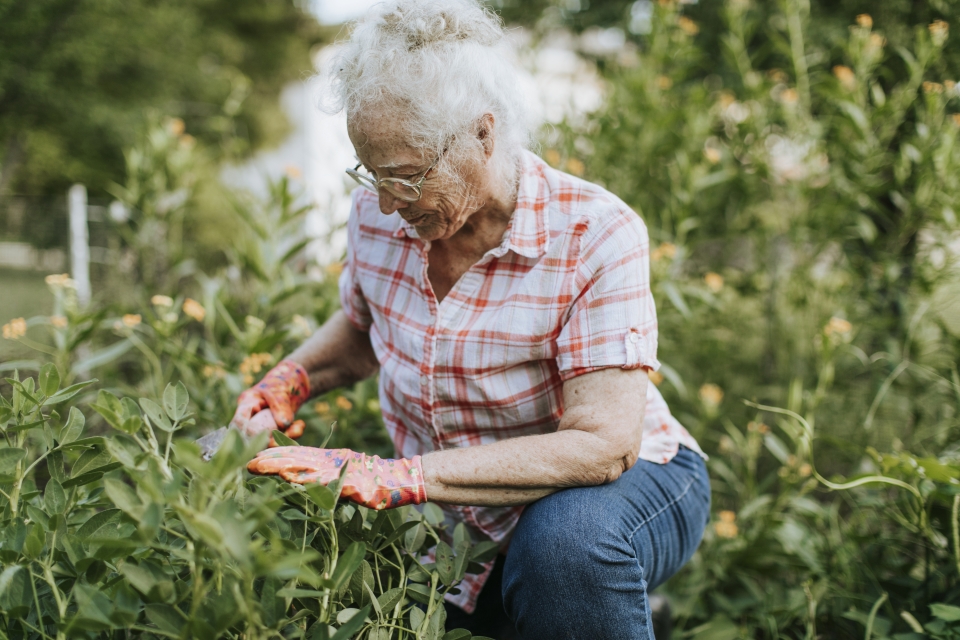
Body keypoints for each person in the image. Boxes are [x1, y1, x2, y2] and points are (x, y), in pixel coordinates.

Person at [234, 1, 710, 637]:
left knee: (564, 550)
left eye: (404, 176)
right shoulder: (379, 214)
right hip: (464, 509)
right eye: (368, 173)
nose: (383, 201)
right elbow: (360, 328)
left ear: (483, 135)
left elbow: (603, 446)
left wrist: (398, 478)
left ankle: (596, 585)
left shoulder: (596, 233)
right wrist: (287, 382)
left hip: (622, 484)